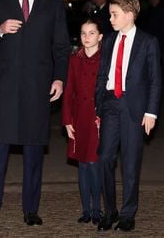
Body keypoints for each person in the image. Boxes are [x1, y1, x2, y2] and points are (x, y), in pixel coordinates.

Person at [0, 0, 71, 227]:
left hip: (37, 87)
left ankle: (31, 210)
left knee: (33, 152)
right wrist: (0, 29)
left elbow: (61, 47)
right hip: (5, 88)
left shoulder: (53, 2)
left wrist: (59, 77)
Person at [95, 0, 162, 232]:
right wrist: (98, 105)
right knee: (104, 158)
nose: (110, 18)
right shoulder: (110, 40)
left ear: (129, 15)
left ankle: (127, 213)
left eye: (114, 14)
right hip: (111, 104)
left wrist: (151, 113)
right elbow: (103, 74)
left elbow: (155, 80)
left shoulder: (148, 42)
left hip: (134, 107)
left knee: (131, 163)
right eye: (110, 14)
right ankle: (110, 210)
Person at [62, 18, 103, 225]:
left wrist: (104, 116)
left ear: (100, 36)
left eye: (92, 33)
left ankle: (97, 209)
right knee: (83, 166)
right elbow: (69, 91)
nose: (87, 37)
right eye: (83, 33)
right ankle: (86, 210)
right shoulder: (75, 59)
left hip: (97, 119)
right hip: (79, 118)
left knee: (94, 164)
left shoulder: (105, 59)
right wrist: (67, 120)